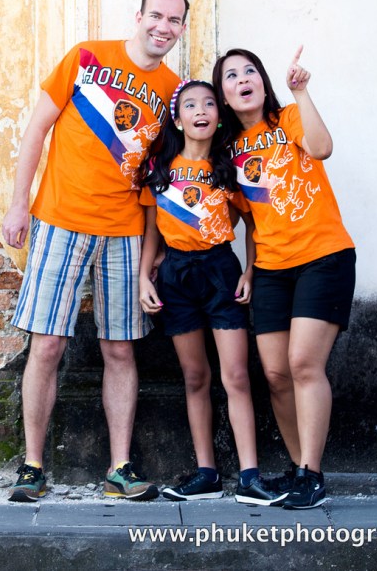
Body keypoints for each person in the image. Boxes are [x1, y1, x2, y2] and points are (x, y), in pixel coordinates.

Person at [0, 0, 188, 503]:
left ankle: (119, 469)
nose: (162, 27)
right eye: (156, 15)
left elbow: (164, 177)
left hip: (126, 231)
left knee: (119, 348)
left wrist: (160, 252)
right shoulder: (85, 58)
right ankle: (32, 465)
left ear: (181, 28)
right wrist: (19, 203)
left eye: (174, 20)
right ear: (139, 15)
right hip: (59, 218)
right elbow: (36, 129)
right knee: (49, 344)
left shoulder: (174, 93)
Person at [213, 46, 356, 510]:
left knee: (302, 364)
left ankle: (311, 475)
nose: (242, 79)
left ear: (262, 81)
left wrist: (301, 91)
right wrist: (252, 267)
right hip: (272, 269)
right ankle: (300, 472)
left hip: (323, 257)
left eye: (249, 70)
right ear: (224, 97)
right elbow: (251, 221)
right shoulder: (229, 153)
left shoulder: (288, 118)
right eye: (230, 76)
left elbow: (322, 148)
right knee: (275, 374)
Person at [136, 80, 286, 505]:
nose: (200, 110)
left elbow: (254, 222)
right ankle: (207, 474)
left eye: (207, 103)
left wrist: (252, 271)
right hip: (176, 277)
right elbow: (152, 232)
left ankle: (251, 477)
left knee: (236, 375)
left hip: (221, 270)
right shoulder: (159, 169)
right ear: (177, 118)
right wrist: (145, 277)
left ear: (218, 115)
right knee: (195, 376)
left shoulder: (228, 169)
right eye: (189, 105)